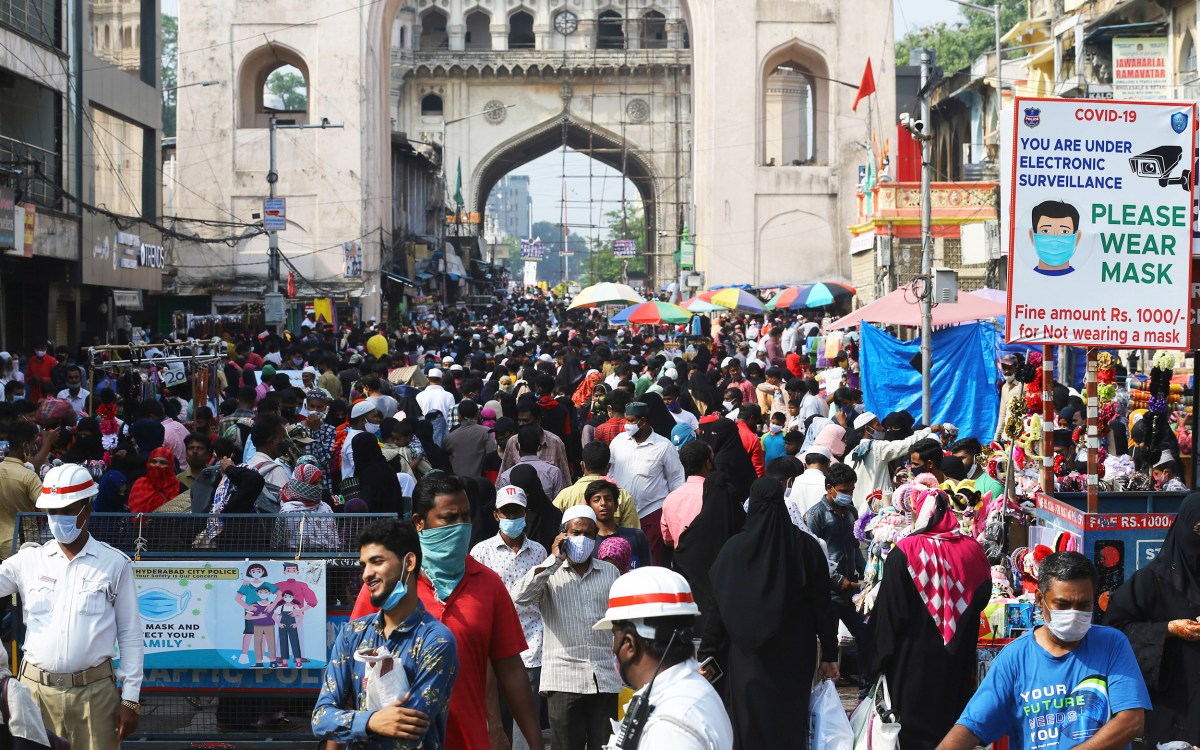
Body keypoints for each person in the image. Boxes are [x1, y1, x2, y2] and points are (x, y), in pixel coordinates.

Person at [349, 473, 546, 750]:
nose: (461, 527)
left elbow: (511, 669)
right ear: (420, 522)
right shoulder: (386, 583)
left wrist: (534, 741)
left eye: (466, 517)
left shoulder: (488, 585)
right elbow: (350, 667)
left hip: (469, 740)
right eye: (449, 518)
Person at [936, 552, 1150, 750]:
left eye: (1084, 605)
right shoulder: (1014, 659)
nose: (1074, 614)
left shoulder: (1112, 644)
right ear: (1040, 600)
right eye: (1063, 604)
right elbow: (972, 726)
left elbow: (1131, 721)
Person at [0, 463, 143, 749]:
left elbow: (130, 635)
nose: (57, 519)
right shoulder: (27, 561)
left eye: (66, 511)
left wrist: (131, 699)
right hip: (33, 694)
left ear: (86, 510)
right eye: (52, 512)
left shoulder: (115, 564)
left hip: (95, 696)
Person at [702, 477, 838, 750]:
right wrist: (830, 655)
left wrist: (708, 654)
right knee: (788, 724)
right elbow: (823, 605)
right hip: (795, 657)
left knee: (748, 725)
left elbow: (718, 608)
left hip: (747, 659)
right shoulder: (806, 548)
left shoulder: (733, 550)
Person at [312, 518, 458, 749]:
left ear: (409, 562)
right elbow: (321, 718)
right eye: (363, 565)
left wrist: (351, 724)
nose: (366, 574)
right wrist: (371, 721)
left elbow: (408, 729)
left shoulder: (436, 640)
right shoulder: (352, 634)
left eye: (377, 562)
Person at [870, 483, 992, 750]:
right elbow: (983, 595)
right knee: (951, 723)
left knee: (910, 729)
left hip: (911, 659)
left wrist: (878, 660)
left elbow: (890, 613)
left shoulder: (905, 550)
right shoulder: (973, 549)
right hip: (956, 657)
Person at [512, 505, 620, 750]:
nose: (582, 539)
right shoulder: (549, 573)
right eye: (575, 533)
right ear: (563, 535)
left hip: (603, 677)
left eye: (588, 534)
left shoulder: (610, 572)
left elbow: (621, 621)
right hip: (563, 680)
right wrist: (553, 560)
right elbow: (519, 598)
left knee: (605, 746)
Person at [593, 567, 733, 750]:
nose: (613, 648)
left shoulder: (669, 729)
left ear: (629, 644)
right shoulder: (686, 690)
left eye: (615, 637)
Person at [1105, 493, 1200, 747]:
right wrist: (1169, 630)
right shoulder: (1150, 581)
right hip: (1172, 704)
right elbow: (1115, 632)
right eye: (1199, 530)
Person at [469, 485, 548, 750]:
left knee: (525, 720)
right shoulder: (481, 552)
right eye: (507, 512)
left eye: (517, 511)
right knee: (495, 718)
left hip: (531, 644)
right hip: (492, 649)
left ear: (526, 513)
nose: (512, 517)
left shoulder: (539, 552)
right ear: (496, 515)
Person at [803, 462, 872, 696]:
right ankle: (825, 693)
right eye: (844, 491)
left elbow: (855, 547)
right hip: (829, 593)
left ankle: (865, 689)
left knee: (866, 636)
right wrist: (837, 578)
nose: (848, 495)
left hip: (852, 592)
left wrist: (866, 572)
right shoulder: (815, 515)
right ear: (830, 488)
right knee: (828, 643)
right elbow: (814, 554)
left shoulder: (851, 511)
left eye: (851, 490)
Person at [608, 402, 685, 565]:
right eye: (626, 420)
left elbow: (677, 481)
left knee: (653, 562)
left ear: (643, 421)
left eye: (630, 421)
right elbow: (610, 472)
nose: (627, 425)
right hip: (622, 516)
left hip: (652, 514)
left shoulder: (664, 446)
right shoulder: (618, 442)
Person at [846, 412, 940, 512]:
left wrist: (893, 482)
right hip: (880, 512)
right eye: (878, 425)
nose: (883, 429)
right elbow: (905, 444)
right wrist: (929, 430)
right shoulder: (877, 447)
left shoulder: (849, 456)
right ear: (868, 429)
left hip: (861, 514)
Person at [552, 441, 639, 529]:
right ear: (608, 467)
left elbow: (552, 526)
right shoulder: (622, 495)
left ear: (582, 466)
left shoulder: (565, 495)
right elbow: (632, 532)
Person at [584, 479, 653, 570]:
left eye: (608, 499)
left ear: (616, 505)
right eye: (597, 500)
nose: (603, 503)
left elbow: (648, 569)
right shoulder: (587, 542)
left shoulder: (636, 536)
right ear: (589, 507)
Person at [0, 421, 42, 561]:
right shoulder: (29, 477)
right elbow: (47, 508)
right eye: (32, 444)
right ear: (24, 446)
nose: (33, 448)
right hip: (23, 547)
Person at [660, 440, 713, 550]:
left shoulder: (670, 499)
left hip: (680, 561)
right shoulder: (713, 495)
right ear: (708, 464)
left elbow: (667, 539)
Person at [497, 426, 566, 500]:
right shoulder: (553, 472)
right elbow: (559, 502)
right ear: (539, 447)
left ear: (517, 446)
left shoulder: (506, 476)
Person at [352, 432, 405, 516]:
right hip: (394, 521)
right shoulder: (386, 467)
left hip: (377, 524)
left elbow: (366, 503)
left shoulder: (369, 474)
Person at [443, 400, 497, 478]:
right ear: (477, 414)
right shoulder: (487, 432)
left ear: (459, 415)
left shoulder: (450, 437)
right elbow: (492, 454)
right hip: (480, 482)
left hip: (459, 483)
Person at [127, 447, 182, 514]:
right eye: (153, 462)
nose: (157, 465)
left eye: (162, 462)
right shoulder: (138, 485)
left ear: (170, 466)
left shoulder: (178, 488)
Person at [416, 369, 456, 446]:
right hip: (444, 435)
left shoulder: (420, 395)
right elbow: (451, 416)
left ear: (428, 379)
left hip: (424, 434)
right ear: (441, 380)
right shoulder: (448, 395)